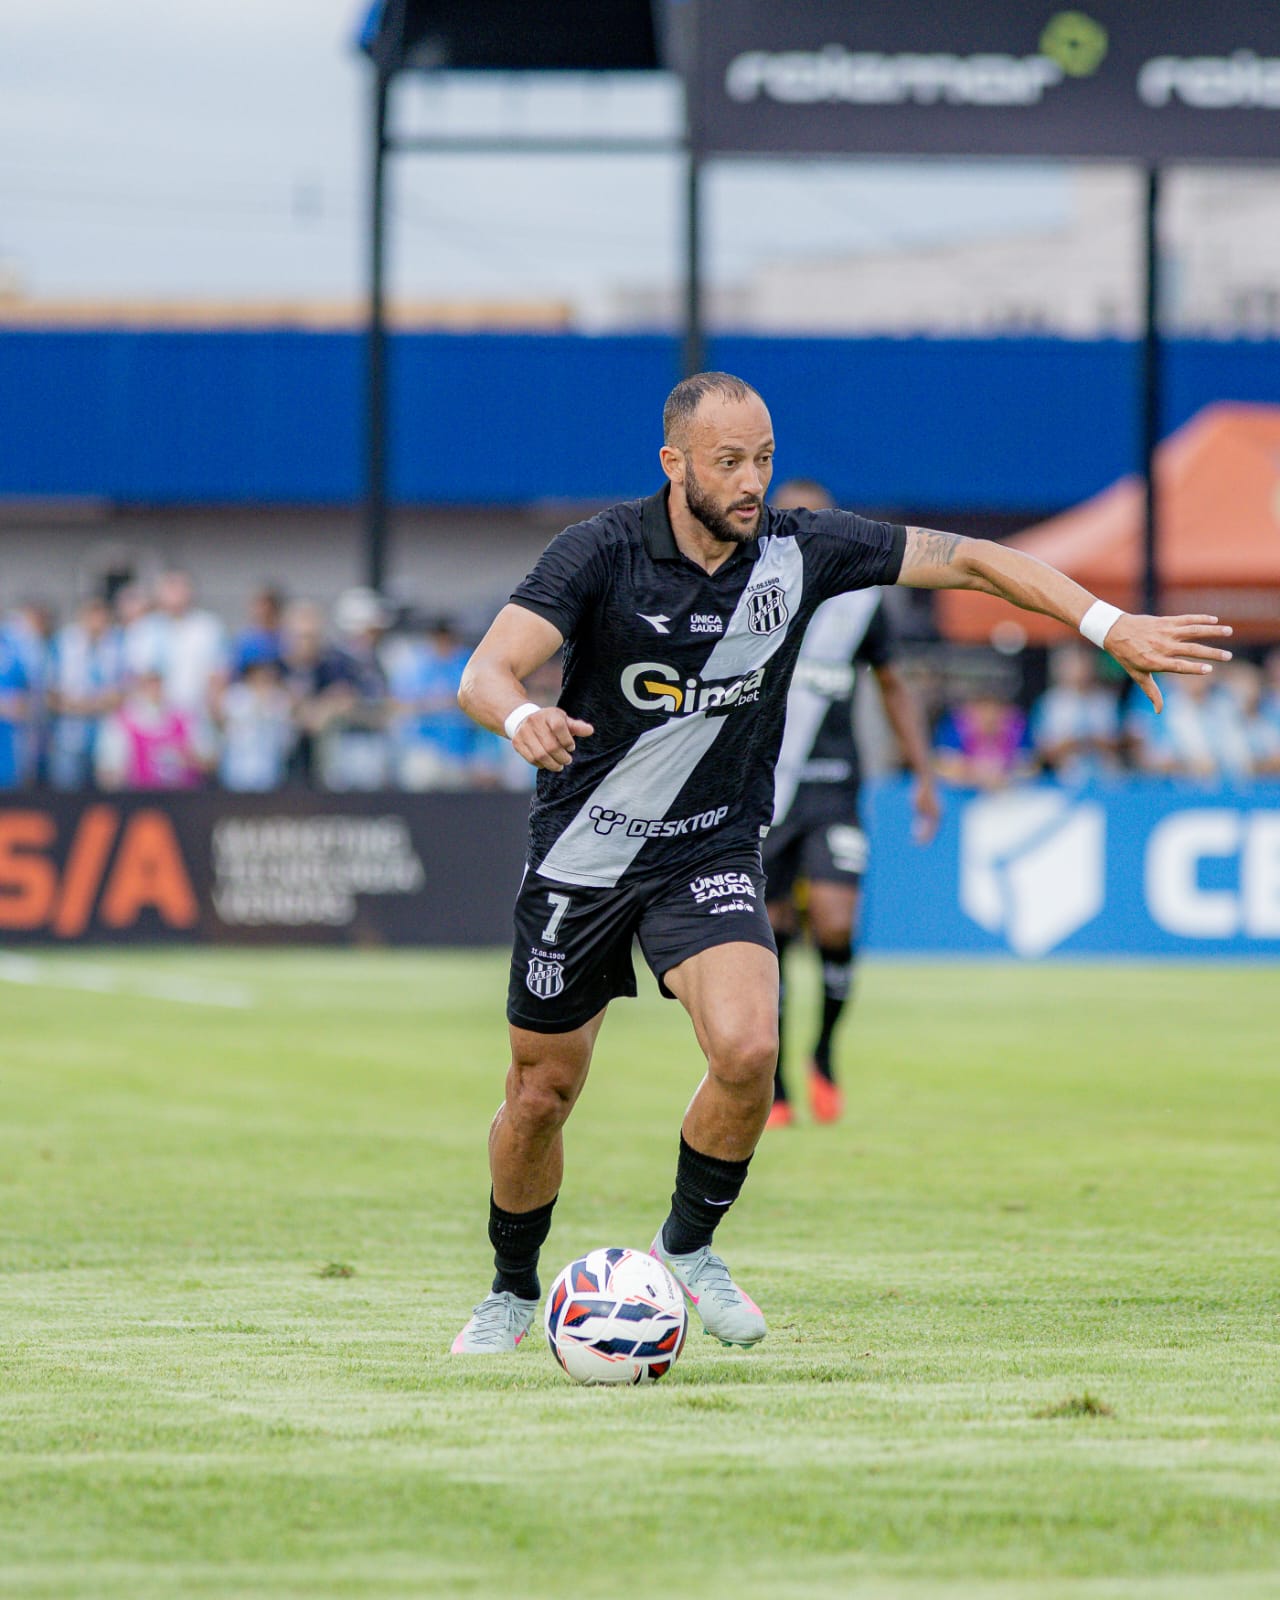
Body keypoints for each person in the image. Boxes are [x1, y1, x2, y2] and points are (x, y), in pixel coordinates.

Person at [449, 370, 1231, 1356]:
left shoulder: (799, 552)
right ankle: (511, 1290)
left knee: (744, 1050)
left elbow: (974, 561)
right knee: (539, 1093)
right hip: (583, 855)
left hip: (709, 851)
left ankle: (686, 1248)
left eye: (763, 458)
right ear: (673, 463)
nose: (750, 480)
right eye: (727, 461)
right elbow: (485, 669)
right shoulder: (600, 550)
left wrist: (1105, 625)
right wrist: (520, 716)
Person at [761, 479, 940, 1130]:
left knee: (835, 922)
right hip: (766, 787)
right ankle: (775, 1079)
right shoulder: (753, 595)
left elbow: (895, 686)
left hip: (835, 783)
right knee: (771, 934)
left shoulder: (858, 604)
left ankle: (825, 1053)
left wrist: (923, 773)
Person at [47, 594, 126, 789]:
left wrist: (81, 704)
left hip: (107, 736)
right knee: (67, 793)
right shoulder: (63, 643)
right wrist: (93, 705)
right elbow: (52, 695)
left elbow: (122, 694)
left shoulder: (117, 644)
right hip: (69, 736)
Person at [1030, 644, 1122, 783]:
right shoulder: (1050, 703)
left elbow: (1118, 742)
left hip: (1106, 776)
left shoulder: (1105, 700)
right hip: (1063, 776)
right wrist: (1070, 743)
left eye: (1084, 664)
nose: (1080, 671)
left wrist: (1094, 741)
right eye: (1073, 666)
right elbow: (1042, 749)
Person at [933, 689, 1036, 788]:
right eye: (982, 709)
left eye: (996, 709)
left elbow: (1029, 768)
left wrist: (1004, 776)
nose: (989, 716)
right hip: (964, 792)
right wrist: (977, 776)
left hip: (1006, 792)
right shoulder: (955, 725)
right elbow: (943, 766)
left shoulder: (1016, 725)